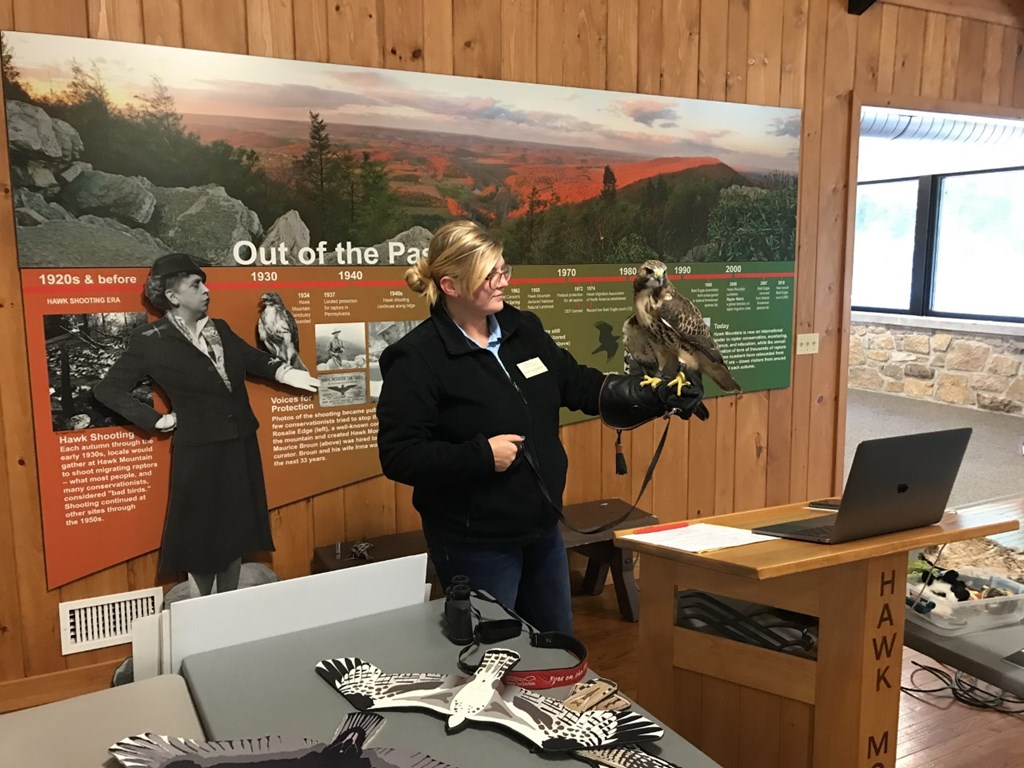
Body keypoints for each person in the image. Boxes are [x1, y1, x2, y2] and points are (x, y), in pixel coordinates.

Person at [376, 221, 706, 634]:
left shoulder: (521, 330)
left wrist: (652, 394)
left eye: (504, 269)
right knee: (493, 658)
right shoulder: (418, 358)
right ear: (451, 285)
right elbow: (400, 454)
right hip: (476, 543)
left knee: (556, 650)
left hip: (542, 529)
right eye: (490, 275)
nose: (503, 282)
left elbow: (578, 384)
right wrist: (481, 456)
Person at [94, 253, 319, 596]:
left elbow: (252, 359)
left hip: (240, 443)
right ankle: (203, 618)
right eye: (195, 285)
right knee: (201, 539)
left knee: (235, 535)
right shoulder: (150, 341)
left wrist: (286, 372)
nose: (205, 290)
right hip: (198, 452)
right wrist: (157, 419)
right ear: (173, 296)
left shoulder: (221, 329)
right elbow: (107, 389)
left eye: (204, 283)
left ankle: (225, 610)